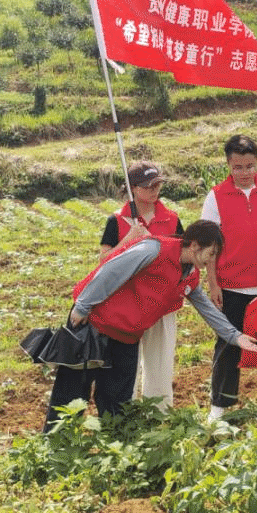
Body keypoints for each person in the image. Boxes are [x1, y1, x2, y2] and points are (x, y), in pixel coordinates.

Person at [44, 220, 257, 431]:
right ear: (194, 245)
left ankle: (114, 446)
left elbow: (207, 309)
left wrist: (235, 336)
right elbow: (111, 271)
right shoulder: (153, 250)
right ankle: (56, 443)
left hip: (127, 335)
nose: (212, 260)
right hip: (95, 323)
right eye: (211, 253)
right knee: (72, 391)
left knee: (118, 400)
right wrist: (83, 306)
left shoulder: (189, 274)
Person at [200, 134, 257, 421]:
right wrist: (213, 283)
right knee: (228, 344)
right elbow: (210, 244)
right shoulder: (216, 195)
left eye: (250, 166)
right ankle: (220, 405)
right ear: (228, 165)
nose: (244, 173)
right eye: (237, 167)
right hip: (233, 285)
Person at [99, 161, 183, 409]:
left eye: (158, 185)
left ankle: (159, 412)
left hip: (161, 302)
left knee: (161, 363)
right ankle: (128, 413)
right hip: (127, 305)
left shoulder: (172, 219)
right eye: (148, 186)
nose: (155, 190)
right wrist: (128, 239)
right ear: (133, 188)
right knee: (126, 364)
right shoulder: (117, 220)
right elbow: (104, 262)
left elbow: (182, 256)